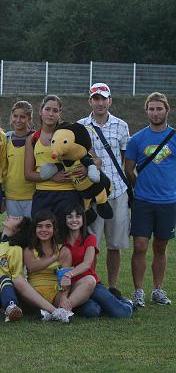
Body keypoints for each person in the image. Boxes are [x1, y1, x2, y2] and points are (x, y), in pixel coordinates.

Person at [76, 83, 130, 298]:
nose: (100, 103)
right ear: (90, 101)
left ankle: (113, 286)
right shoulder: (80, 126)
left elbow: (125, 161)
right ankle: (92, 284)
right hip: (92, 195)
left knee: (115, 245)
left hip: (117, 192)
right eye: (96, 99)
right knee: (91, 244)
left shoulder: (121, 126)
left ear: (110, 100)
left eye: (103, 98)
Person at [125, 92, 176, 307]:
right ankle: (138, 291)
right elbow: (129, 170)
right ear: (146, 111)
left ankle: (157, 289)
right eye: (152, 109)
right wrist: (142, 187)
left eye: (159, 108)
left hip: (168, 202)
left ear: (167, 110)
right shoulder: (137, 139)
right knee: (140, 245)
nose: (156, 112)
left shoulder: (174, 137)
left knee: (160, 247)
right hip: (143, 201)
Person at [59, 204, 133, 318]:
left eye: (78, 216)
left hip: (91, 283)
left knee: (122, 313)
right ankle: (99, 305)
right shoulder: (60, 240)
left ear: (83, 219)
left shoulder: (90, 238)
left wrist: (69, 274)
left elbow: (87, 264)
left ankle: (127, 303)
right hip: (71, 286)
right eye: (70, 217)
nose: (74, 220)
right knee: (92, 311)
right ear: (64, 219)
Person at [25, 95, 82, 221]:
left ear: (60, 113)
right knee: (42, 236)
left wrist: (86, 169)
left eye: (55, 111)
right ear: (40, 111)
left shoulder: (70, 134)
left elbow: (95, 160)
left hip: (69, 194)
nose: (51, 114)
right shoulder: (32, 139)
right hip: (43, 195)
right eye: (47, 109)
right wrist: (52, 177)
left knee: (66, 237)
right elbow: (28, 174)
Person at [12, 210, 75, 323]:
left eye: (48, 226)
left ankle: (47, 312)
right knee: (18, 280)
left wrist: (64, 297)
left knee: (79, 287)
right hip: (35, 294)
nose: (44, 230)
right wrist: (53, 258)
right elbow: (31, 267)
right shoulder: (29, 249)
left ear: (54, 229)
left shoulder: (63, 250)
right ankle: (56, 312)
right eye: (40, 226)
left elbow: (66, 278)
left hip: (56, 293)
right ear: (35, 229)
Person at [4, 101, 35, 217]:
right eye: (15, 116)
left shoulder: (35, 138)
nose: (18, 120)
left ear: (29, 119)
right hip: (11, 195)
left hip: (31, 195)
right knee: (14, 232)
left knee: (30, 231)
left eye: (22, 117)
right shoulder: (6, 138)